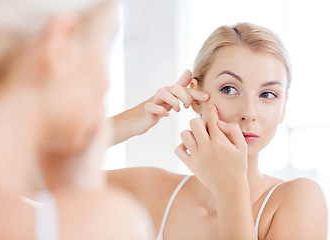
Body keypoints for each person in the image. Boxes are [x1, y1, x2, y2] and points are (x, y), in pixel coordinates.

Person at [109, 22, 328, 239]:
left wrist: (230, 191)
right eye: (230, 89)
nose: (249, 113)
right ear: (196, 98)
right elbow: (73, 186)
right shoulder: (154, 189)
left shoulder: (300, 200)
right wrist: (126, 123)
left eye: (268, 94)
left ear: (283, 108)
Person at [0, 0, 152, 239]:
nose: (106, 82)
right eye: (107, 45)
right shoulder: (105, 224)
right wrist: (82, 201)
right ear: (62, 44)